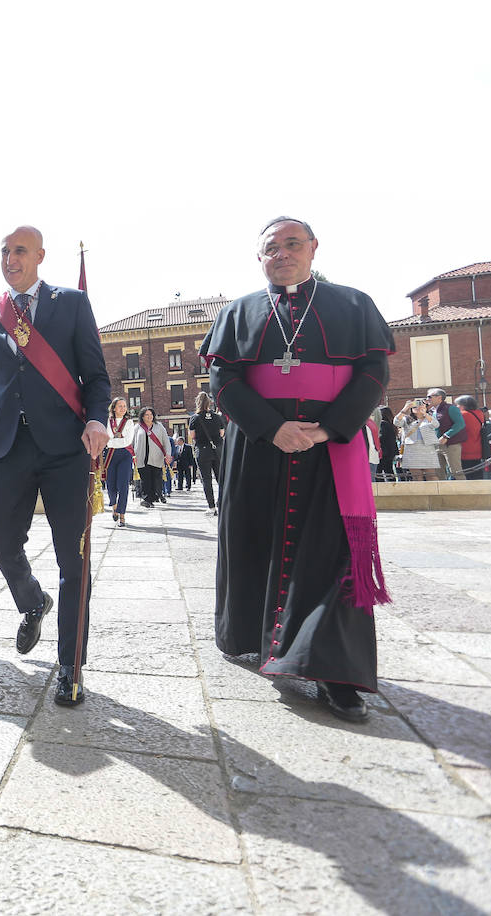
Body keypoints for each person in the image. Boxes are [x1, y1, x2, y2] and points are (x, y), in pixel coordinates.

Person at [200, 216, 394, 724]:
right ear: (259, 256)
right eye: (272, 247)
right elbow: (224, 377)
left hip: (331, 447)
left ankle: (336, 673)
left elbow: (375, 373)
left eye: (292, 244)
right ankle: (257, 639)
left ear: (313, 248)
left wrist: (329, 427)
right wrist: (271, 427)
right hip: (259, 448)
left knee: (332, 557)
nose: (282, 253)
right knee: (255, 541)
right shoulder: (239, 311)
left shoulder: (353, 304)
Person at [0, 226, 110, 705]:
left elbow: (96, 375)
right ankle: (33, 602)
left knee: (74, 557)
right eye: (3, 251)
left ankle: (71, 665)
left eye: (19, 251)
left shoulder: (71, 303)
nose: (10, 258)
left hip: (66, 447)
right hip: (9, 448)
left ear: (41, 256)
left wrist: (95, 419)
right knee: (1, 543)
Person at [189, 391, 224, 515]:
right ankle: (221, 504)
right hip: (218, 450)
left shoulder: (194, 418)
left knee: (206, 479)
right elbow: (221, 433)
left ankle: (211, 507)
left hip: (203, 451)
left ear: (197, 403)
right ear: (209, 403)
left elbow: (193, 436)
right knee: (221, 479)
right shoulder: (217, 417)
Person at [103, 398, 135, 528]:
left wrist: (114, 440)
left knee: (123, 486)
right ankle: (114, 505)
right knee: (110, 485)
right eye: (120, 406)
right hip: (111, 455)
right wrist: (117, 438)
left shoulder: (129, 422)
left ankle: (122, 515)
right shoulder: (107, 422)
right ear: (114, 408)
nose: (123, 408)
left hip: (125, 455)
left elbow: (128, 441)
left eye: (124, 406)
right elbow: (107, 439)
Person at [132, 408, 172, 508]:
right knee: (145, 479)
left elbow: (166, 441)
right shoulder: (137, 427)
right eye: (146, 415)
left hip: (156, 457)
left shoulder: (159, 426)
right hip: (141, 457)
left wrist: (168, 454)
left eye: (151, 414)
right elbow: (132, 443)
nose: (149, 416)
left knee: (156, 479)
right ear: (142, 416)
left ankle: (154, 496)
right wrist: (132, 455)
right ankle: (147, 499)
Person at [395, 399, 440, 481]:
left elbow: (436, 424)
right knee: (416, 476)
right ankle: (421, 493)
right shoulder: (407, 419)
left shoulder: (429, 418)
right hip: (412, 450)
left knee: (431, 475)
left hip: (428, 449)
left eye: (421, 405)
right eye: (415, 406)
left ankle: (435, 492)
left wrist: (425, 414)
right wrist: (406, 407)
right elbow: (396, 422)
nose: (418, 407)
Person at [427, 388, 466, 479]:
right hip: (436, 446)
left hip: (451, 444)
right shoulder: (432, 411)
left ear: (439, 397)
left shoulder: (451, 408)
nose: (427, 399)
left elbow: (460, 423)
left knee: (455, 471)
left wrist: (446, 436)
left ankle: (464, 492)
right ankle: (442, 493)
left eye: (429, 396)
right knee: (438, 473)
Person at [455, 395, 487, 481]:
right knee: (477, 474)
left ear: (463, 405)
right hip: (478, 448)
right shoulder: (480, 413)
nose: (456, 407)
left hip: (465, 449)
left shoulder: (463, 415)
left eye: (457, 405)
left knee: (467, 475)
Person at [376, 405, 400, 482]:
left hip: (384, 452)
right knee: (389, 471)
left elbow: (381, 437)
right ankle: (393, 487)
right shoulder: (391, 424)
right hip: (390, 452)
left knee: (379, 472)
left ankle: (381, 488)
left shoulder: (383, 424)